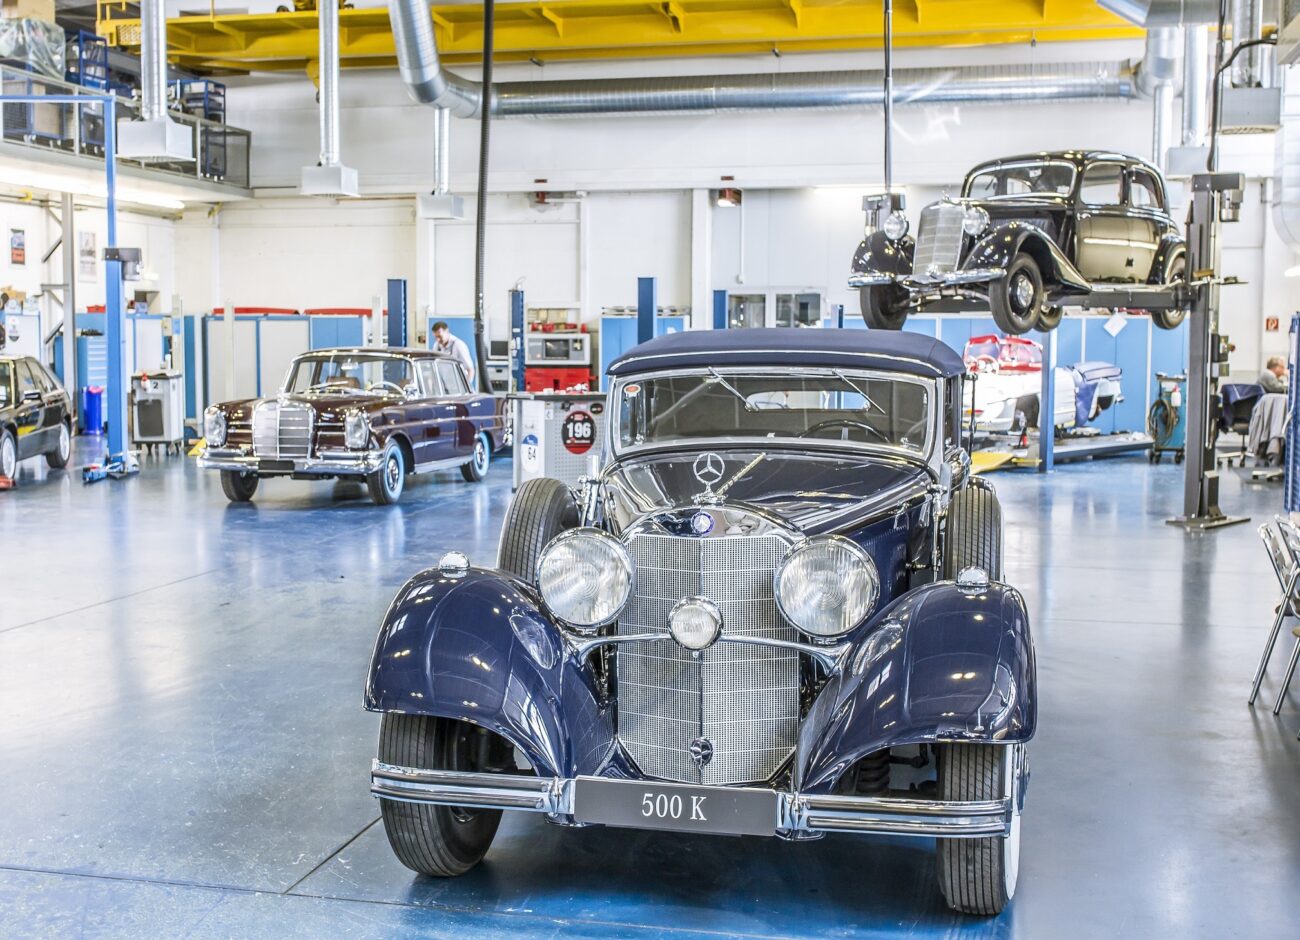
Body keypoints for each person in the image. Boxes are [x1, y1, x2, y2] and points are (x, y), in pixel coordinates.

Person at [431, 321, 475, 386]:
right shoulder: (436, 345)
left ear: (447, 331)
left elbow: (470, 369)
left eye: (440, 336)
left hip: (458, 386)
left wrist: (467, 387)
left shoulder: (458, 345)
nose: (438, 340)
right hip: (444, 386)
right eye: (436, 337)